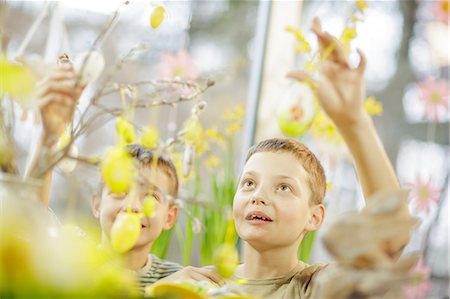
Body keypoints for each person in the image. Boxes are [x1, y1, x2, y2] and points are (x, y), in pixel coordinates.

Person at [165, 17, 411, 298]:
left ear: (314, 217)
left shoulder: (318, 287)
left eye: (284, 187)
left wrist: (353, 122)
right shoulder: (198, 286)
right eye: (248, 184)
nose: (258, 196)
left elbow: (390, 238)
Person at [25, 58, 185, 291]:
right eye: (120, 191)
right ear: (97, 204)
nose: (132, 206)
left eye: (151, 196)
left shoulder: (178, 280)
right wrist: (48, 137)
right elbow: (31, 214)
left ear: (169, 217)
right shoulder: (76, 256)